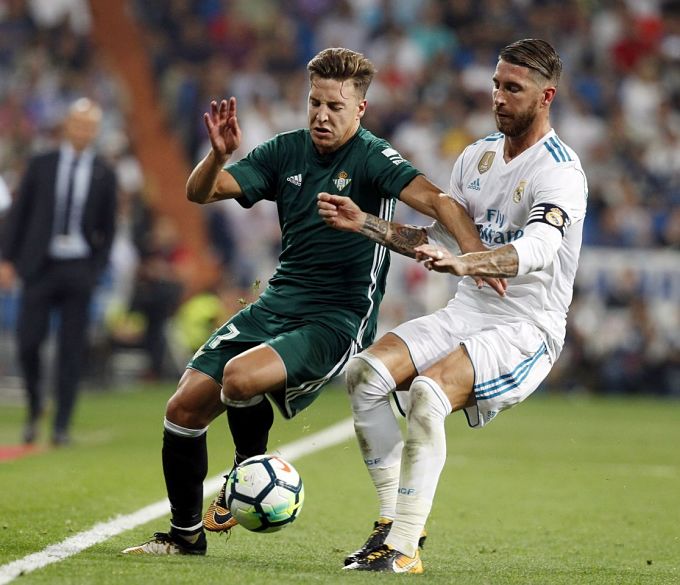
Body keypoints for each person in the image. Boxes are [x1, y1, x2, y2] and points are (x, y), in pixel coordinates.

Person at [122, 47, 502, 556]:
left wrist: (475, 256)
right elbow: (201, 193)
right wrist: (217, 156)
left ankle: (245, 472)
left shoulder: (372, 157)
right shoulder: (286, 151)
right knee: (182, 408)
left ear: (360, 109)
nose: (322, 115)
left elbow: (438, 201)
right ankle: (185, 536)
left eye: (335, 107)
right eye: (315, 103)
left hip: (337, 317)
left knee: (239, 377)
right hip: (277, 302)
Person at [317, 38, 587, 573]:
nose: (499, 97)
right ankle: (390, 524)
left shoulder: (560, 171)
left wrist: (468, 263)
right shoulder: (476, 157)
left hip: (527, 327)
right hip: (467, 312)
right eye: (496, 85)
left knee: (427, 393)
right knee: (365, 374)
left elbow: (539, 249)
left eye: (514, 89)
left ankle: (403, 549)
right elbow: (431, 238)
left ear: (546, 96)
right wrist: (365, 223)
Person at [0, 98, 117, 446]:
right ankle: (36, 403)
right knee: (28, 342)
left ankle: (61, 425)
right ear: (67, 125)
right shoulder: (42, 164)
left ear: (96, 131)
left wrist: (96, 268)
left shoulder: (104, 172)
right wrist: (6, 259)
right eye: (78, 124)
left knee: (71, 349)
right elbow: (19, 214)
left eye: (89, 126)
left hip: (79, 267)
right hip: (40, 265)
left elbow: (108, 228)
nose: (83, 131)